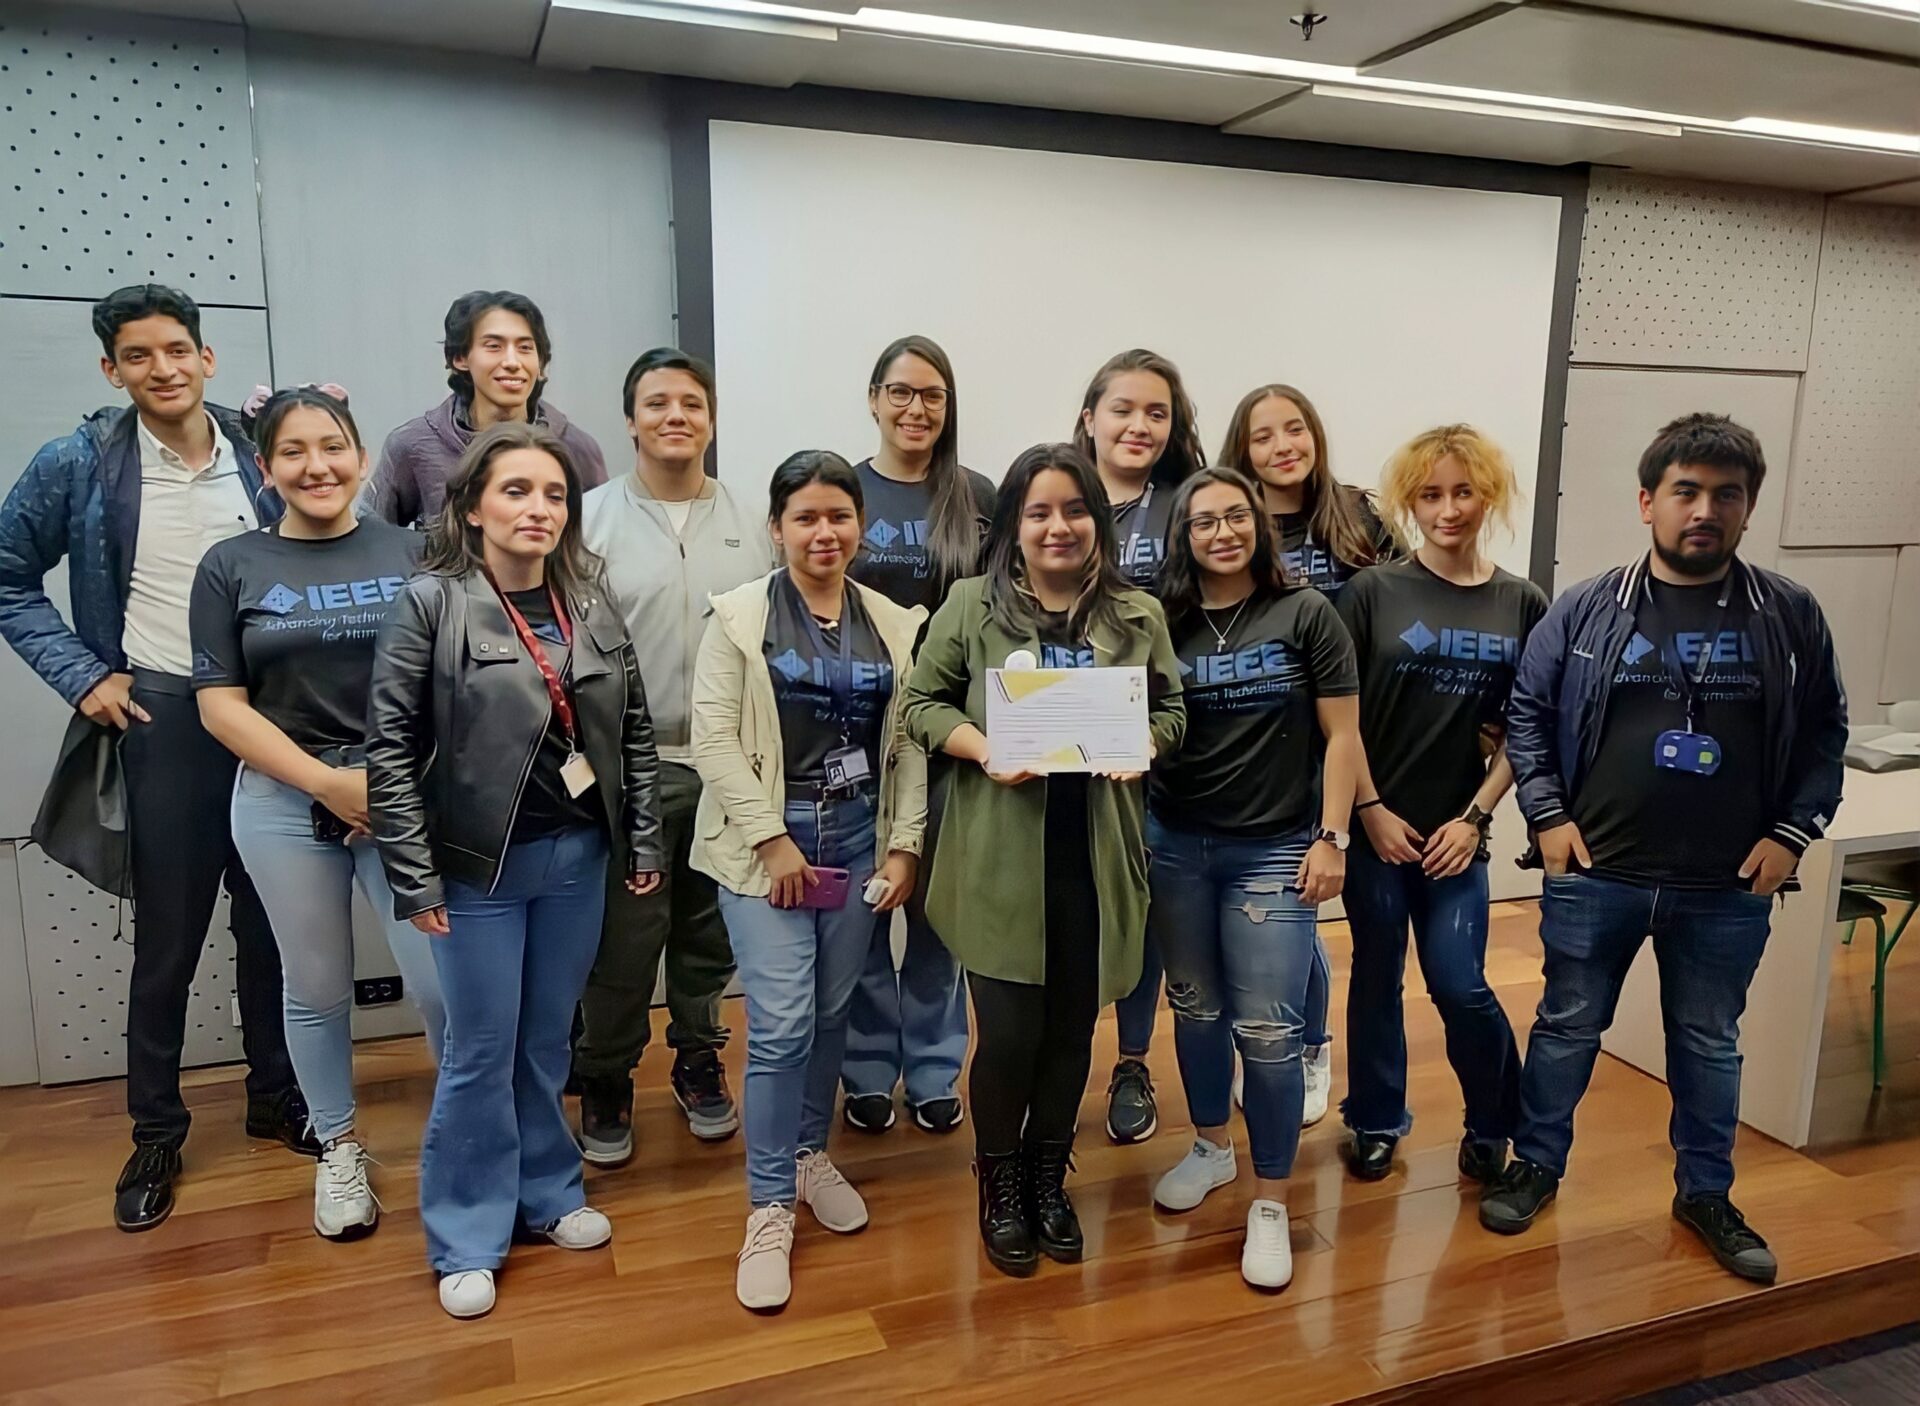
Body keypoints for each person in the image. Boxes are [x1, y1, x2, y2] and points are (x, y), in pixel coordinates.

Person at [1486, 413, 1847, 1286]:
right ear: (1648, 501)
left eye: (1727, 495)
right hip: (1597, 872)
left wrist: (1793, 835)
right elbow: (1526, 717)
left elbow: (1824, 734)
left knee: (1708, 1042)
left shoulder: (1789, 614)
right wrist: (1546, 818)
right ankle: (1537, 1165)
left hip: (1727, 885)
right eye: (1685, 491)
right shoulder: (1585, 608)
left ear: (1748, 509)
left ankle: (1705, 1193)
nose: (1704, 510)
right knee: (1567, 1026)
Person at [0, 285, 313, 1234]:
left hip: (269, 717)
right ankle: (157, 1130)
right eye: (139, 356)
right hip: (163, 716)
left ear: (207, 357)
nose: (163, 369)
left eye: (177, 350)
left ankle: (274, 1097)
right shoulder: (79, 463)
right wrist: (84, 676)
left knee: (274, 927)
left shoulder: (262, 456)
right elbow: (8, 576)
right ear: (112, 369)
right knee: (169, 941)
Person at [366, 422, 664, 1320]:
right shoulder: (432, 601)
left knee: (544, 1045)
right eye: (517, 492)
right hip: (475, 874)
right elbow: (390, 748)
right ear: (472, 505)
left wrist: (643, 840)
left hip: (576, 861)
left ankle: (551, 1193)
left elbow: (635, 729)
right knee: (479, 1053)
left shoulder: (591, 598)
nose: (539, 510)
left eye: (555, 496)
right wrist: (413, 879)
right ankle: (465, 1231)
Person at [905, 443, 1186, 1279]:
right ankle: (998, 1185)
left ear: (1097, 522)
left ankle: (1045, 1178)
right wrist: (983, 748)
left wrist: (1145, 743)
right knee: (1009, 1037)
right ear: (1013, 528)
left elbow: (1170, 711)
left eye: (1074, 511)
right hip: (999, 858)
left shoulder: (1136, 614)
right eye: (1038, 512)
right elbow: (918, 704)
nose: (1057, 527)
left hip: (1094, 856)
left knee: (1071, 1032)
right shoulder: (970, 607)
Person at [191, 385, 449, 1241]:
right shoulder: (231, 565)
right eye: (293, 452)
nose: (317, 466)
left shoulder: (417, 551)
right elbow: (221, 706)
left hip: (403, 796)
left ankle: (473, 1139)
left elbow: (451, 683)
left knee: (441, 984)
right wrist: (326, 783)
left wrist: (388, 781)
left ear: (362, 456)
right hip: (282, 800)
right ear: (266, 470)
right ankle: (338, 1146)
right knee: (315, 989)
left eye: (332, 446)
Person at [688, 451, 928, 1312]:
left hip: (859, 837)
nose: (823, 533)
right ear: (777, 526)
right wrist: (771, 842)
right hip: (767, 849)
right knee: (783, 1022)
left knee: (831, 1011)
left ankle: (806, 1150)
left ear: (859, 524)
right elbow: (711, 739)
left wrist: (904, 847)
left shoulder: (896, 624)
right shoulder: (740, 617)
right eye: (805, 518)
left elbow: (910, 746)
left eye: (838, 516)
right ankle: (766, 1207)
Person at [1144, 467, 1360, 1290]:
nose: (1223, 532)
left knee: (1269, 1033)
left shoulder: (1306, 613)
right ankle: (1210, 1148)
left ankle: (1271, 1201)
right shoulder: (1161, 618)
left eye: (1237, 517)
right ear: (1184, 536)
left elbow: (1342, 737)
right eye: (1204, 522)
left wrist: (1332, 836)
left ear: (1258, 527)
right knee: (1195, 1011)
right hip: (1177, 845)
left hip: (1274, 849)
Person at [1334, 426, 1546, 1188]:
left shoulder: (1522, 601)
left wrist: (1478, 817)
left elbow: (1528, 730)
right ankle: (1375, 1119)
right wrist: (1370, 811)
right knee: (1377, 973)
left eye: (1463, 492)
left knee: (1460, 983)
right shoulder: (1372, 593)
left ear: (1487, 495)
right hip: (1377, 830)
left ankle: (1495, 1121)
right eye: (1430, 494)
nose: (1448, 509)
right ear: (1408, 502)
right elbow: (1339, 721)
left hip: (1460, 835)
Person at [575, 348, 769, 1163]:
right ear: (631, 420)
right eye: (657, 403)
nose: (675, 416)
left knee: (707, 936)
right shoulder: (587, 520)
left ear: (711, 418)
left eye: (692, 403)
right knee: (623, 941)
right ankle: (608, 1075)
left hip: (725, 765)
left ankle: (698, 1059)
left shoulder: (753, 522)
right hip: (631, 772)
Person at [1216, 381, 1401, 1129]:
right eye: (1263, 437)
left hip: (1341, 739)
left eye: (1294, 429)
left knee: (1303, 904)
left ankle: (1310, 1047)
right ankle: (1274, 1042)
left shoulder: (1357, 516)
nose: (1282, 446)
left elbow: (1404, 605)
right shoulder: (1229, 520)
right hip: (1257, 744)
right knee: (1280, 910)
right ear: (1242, 451)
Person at [840, 335, 997, 1137]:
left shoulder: (977, 496)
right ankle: (867, 1068)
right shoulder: (846, 490)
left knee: (940, 916)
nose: (915, 409)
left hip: (951, 736)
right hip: (855, 737)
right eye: (900, 392)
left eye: (932, 395)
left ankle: (935, 1068)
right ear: (873, 400)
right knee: (867, 911)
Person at [1071, 348, 1206, 1146]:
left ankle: (1130, 1061)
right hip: (1060, 741)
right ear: (1090, 417)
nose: (1139, 426)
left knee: (1145, 908)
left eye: (1157, 413)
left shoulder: (1189, 505)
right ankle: (1055, 1053)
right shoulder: (1053, 495)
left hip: (1161, 743)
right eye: (1123, 408)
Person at [362, 290, 608, 528]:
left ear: (541, 363)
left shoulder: (577, 449)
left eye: (525, 348)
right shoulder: (413, 445)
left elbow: (597, 546)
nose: (512, 363)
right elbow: (371, 540)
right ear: (460, 358)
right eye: (494, 346)